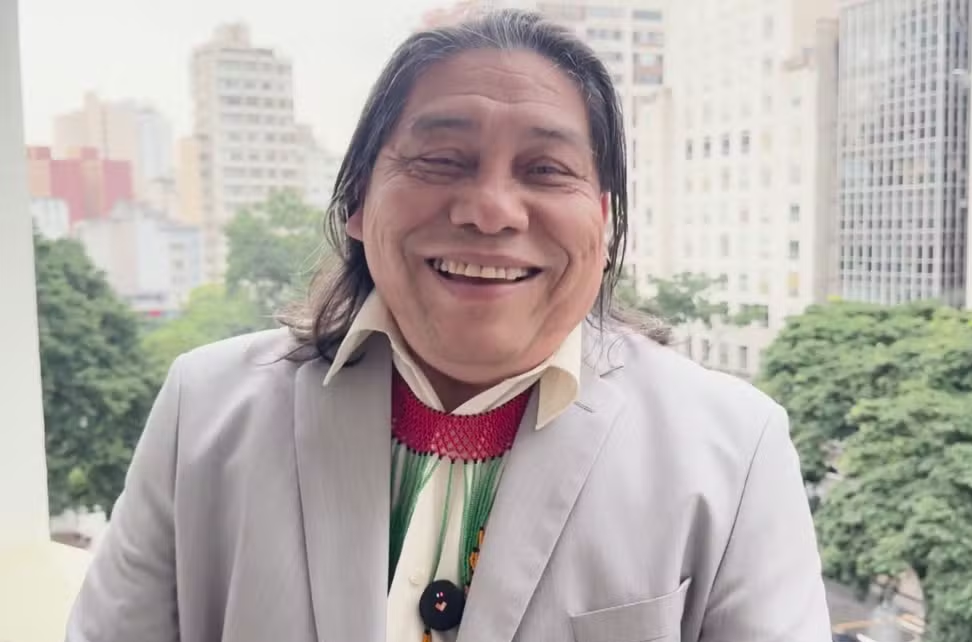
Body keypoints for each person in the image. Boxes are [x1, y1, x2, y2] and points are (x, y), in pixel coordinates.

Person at [67, 9, 831, 642]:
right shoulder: (203, 412)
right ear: (358, 200)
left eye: (546, 169)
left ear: (603, 221)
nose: (490, 210)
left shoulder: (734, 454)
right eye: (440, 159)